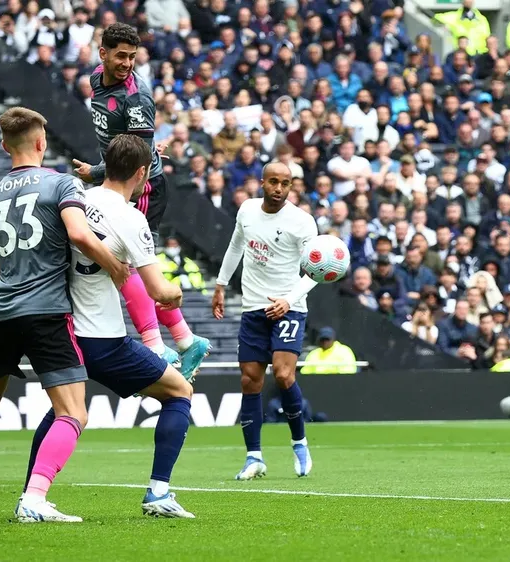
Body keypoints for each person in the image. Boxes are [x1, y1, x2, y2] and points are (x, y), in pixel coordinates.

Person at [0, 107, 128, 523]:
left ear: (5, 147)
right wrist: (114, 266)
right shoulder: (61, 184)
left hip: (1, 313)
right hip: (46, 312)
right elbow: (77, 233)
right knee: (73, 412)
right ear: (42, 143)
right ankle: (34, 499)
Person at [21, 135, 195, 518]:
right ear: (142, 173)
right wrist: (176, 291)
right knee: (180, 392)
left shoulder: (75, 197)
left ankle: (30, 495)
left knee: (62, 413)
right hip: (102, 338)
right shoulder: (132, 219)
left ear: (105, 164)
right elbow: (157, 291)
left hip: (61, 330)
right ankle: (159, 493)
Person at [71, 22, 210, 379]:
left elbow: (137, 157)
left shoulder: (136, 97)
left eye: (133, 57)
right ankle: (183, 339)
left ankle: (155, 344)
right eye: (121, 55)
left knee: (127, 263)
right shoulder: (96, 79)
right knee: (120, 261)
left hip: (140, 185)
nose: (128, 63)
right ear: (103, 54)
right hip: (118, 178)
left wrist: (95, 173)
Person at [212, 162, 320, 480]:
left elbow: (314, 270)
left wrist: (289, 299)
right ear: (262, 183)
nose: (278, 188)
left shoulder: (302, 222)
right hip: (253, 307)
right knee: (249, 380)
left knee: (284, 376)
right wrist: (220, 284)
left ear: (291, 186)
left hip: (289, 307)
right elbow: (235, 246)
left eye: (285, 183)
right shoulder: (246, 210)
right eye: (273, 181)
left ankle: (299, 442)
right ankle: (254, 457)